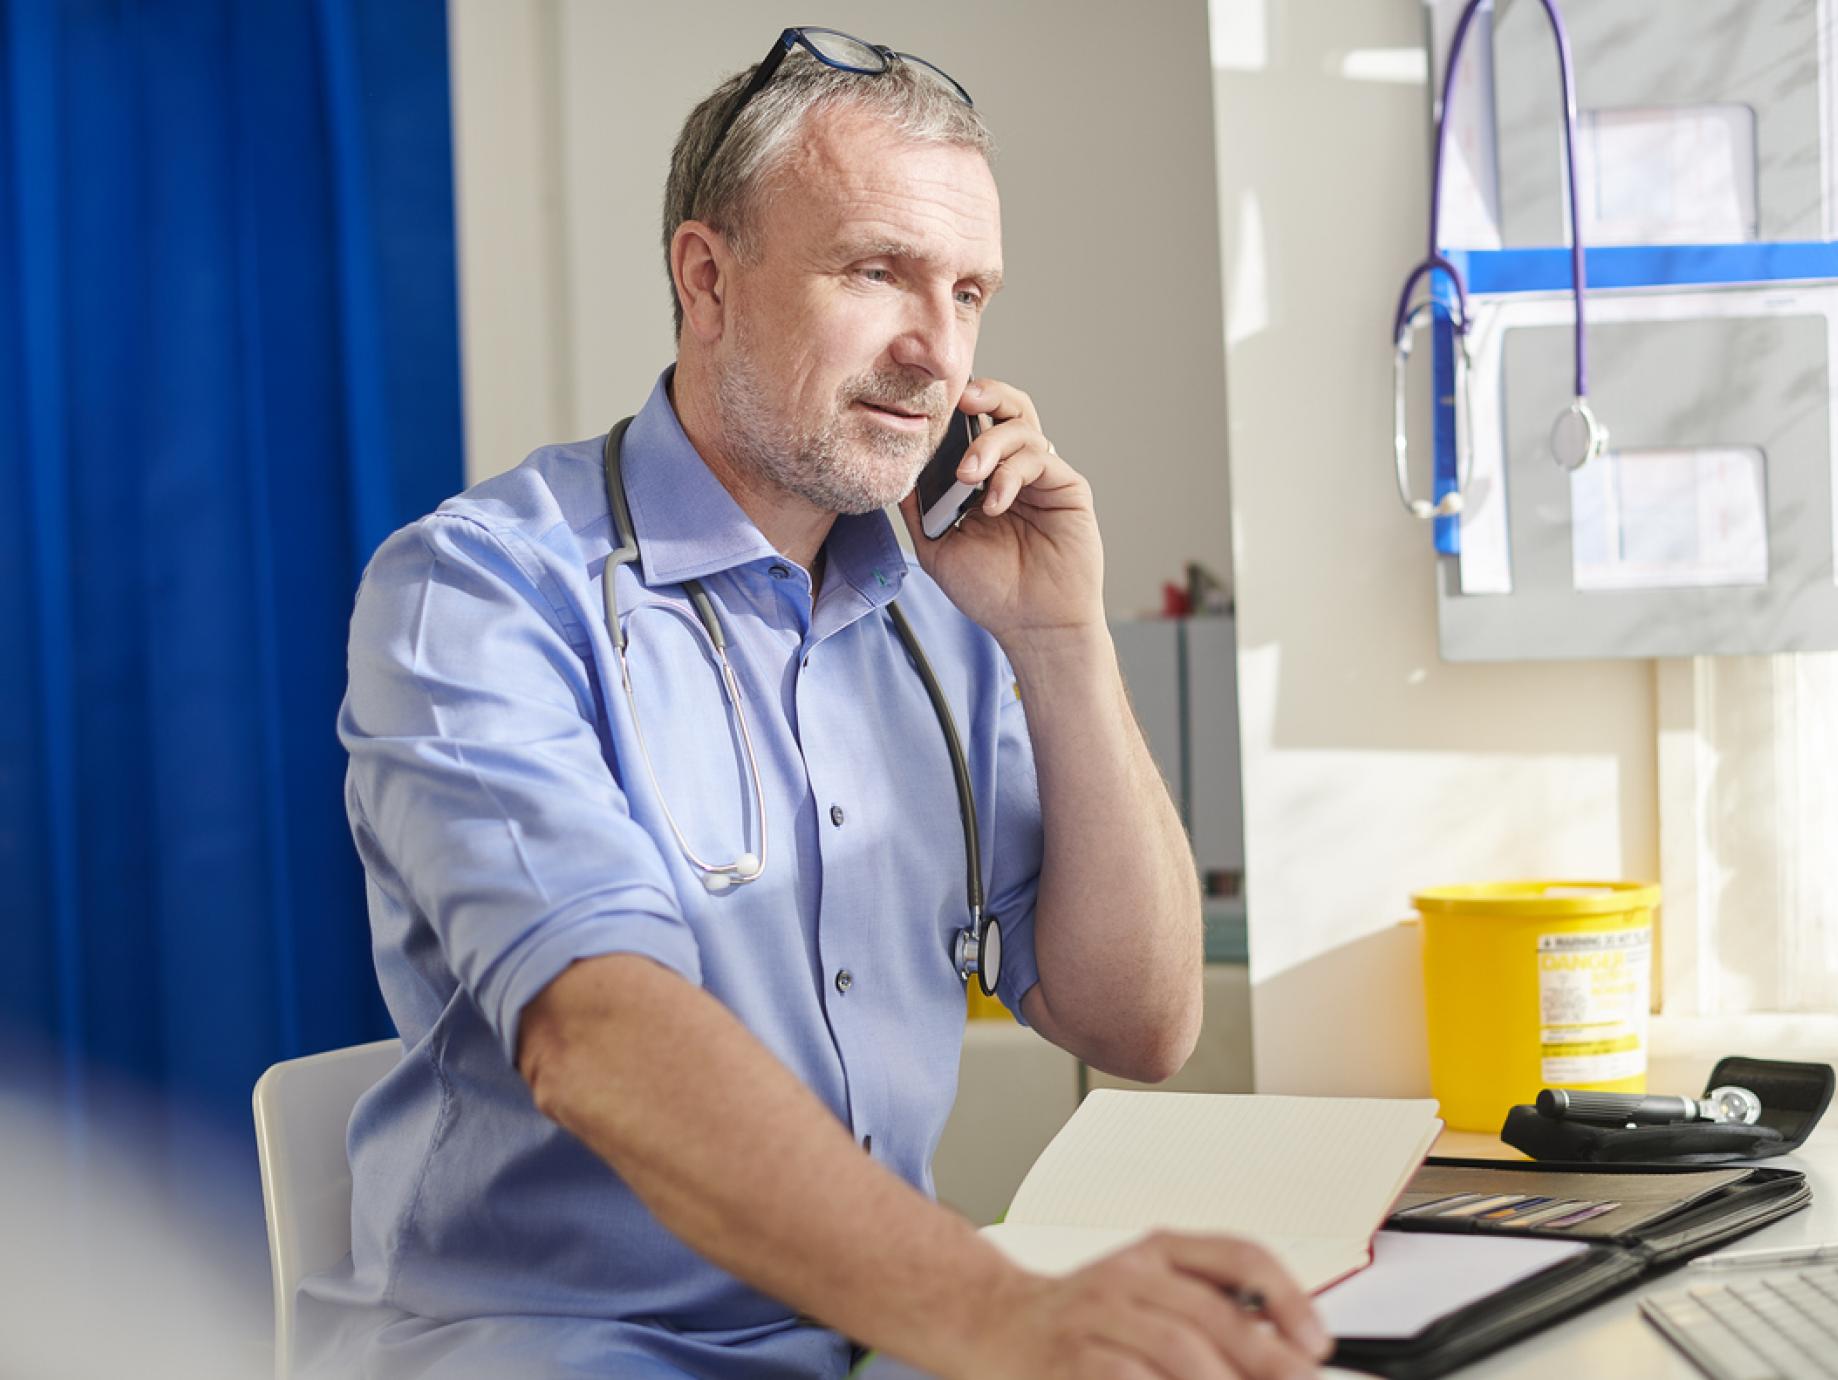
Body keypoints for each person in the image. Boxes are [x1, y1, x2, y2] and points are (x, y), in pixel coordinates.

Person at [297, 28, 1331, 1380]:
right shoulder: (485, 593)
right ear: (707, 277)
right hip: (568, 1347)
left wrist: (1062, 638)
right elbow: (597, 1035)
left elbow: (1140, 1025)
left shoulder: (941, 618)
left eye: (969, 292)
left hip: (878, 1337)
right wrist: (990, 1307)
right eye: (877, 272)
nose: (935, 351)